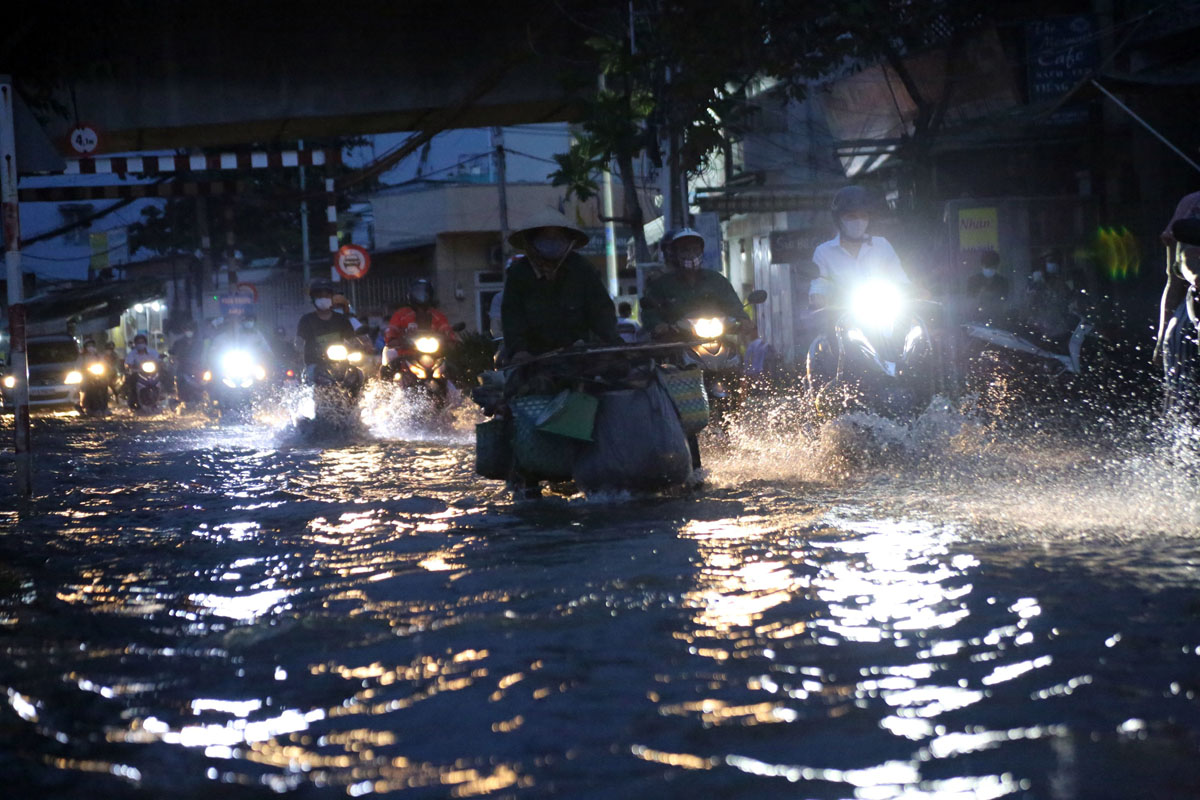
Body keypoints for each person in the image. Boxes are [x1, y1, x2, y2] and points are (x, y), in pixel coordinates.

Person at [499, 206, 620, 364]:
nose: (552, 242)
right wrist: (519, 350)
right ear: (532, 241)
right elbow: (512, 317)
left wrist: (610, 342)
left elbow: (602, 310)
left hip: (579, 357)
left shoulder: (582, 269)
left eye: (557, 237)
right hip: (534, 361)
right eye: (546, 237)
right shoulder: (519, 274)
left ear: (568, 240)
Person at [809, 185, 911, 310]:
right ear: (839, 219)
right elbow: (819, 285)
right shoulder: (823, 252)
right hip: (840, 322)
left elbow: (900, 279)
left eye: (863, 216)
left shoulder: (882, 245)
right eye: (851, 216)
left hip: (884, 314)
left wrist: (913, 291)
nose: (858, 221)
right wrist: (818, 297)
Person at [641, 228, 751, 337]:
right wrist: (658, 325)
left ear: (702, 252)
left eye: (695, 249)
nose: (691, 254)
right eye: (685, 250)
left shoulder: (717, 280)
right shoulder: (662, 285)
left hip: (717, 340)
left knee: (735, 352)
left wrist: (743, 319)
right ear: (675, 254)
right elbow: (649, 310)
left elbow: (732, 304)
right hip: (676, 343)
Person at [1158, 190, 1200, 410]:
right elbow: (1177, 274)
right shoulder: (1193, 204)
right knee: (1182, 334)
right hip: (1193, 310)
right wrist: (1161, 337)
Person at [295, 280, 362, 367]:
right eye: (320, 296)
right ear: (313, 299)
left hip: (341, 364)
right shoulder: (306, 320)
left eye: (327, 296)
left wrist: (357, 347)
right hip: (315, 364)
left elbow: (352, 339)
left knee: (359, 375)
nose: (323, 299)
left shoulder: (341, 319)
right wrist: (299, 350)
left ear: (332, 298)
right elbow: (299, 341)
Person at [384, 279, 457, 346]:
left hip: (434, 354)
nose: (422, 295)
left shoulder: (438, 316)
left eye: (425, 293)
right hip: (405, 355)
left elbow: (447, 331)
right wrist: (400, 340)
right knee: (391, 358)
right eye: (418, 292)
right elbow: (390, 336)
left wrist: (449, 337)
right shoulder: (400, 314)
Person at [965, 250, 1010, 325]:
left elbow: (1005, 302)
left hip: (998, 320)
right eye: (987, 266)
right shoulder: (973, 281)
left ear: (997, 266)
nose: (990, 269)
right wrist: (980, 295)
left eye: (992, 267)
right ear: (982, 265)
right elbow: (969, 301)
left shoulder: (1003, 281)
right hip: (977, 320)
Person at [123, 333, 160, 406]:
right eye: (138, 342)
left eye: (142, 342)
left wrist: (160, 364)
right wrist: (131, 367)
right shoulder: (132, 354)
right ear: (136, 344)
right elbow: (128, 364)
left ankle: (164, 393)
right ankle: (133, 397)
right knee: (131, 381)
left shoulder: (153, 352)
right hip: (138, 373)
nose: (140, 344)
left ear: (145, 343)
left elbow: (158, 361)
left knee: (164, 375)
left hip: (153, 373)